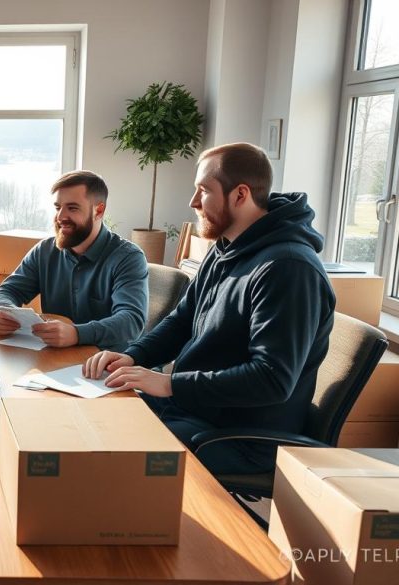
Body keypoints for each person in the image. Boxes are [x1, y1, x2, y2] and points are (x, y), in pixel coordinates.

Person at [83, 142, 335, 475]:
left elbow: (271, 379)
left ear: (240, 195)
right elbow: (182, 320)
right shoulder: (227, 246)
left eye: (203, 190)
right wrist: (133, 356)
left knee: (109, 457)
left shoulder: (287, 269)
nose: (193, 202)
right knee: (92, 415)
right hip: (197, 409)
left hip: (240, 435)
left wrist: (170, 384)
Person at [0, 170, 148, 350]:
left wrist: (77, 334)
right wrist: (0, 311)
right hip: (57, 360)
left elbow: (131, 321)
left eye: (72, 208)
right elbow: (8, 290)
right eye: (58, 207)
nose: (60, 216)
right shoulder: (45, 251)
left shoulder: (128, 257)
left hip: (109, 365)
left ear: (99, 210)